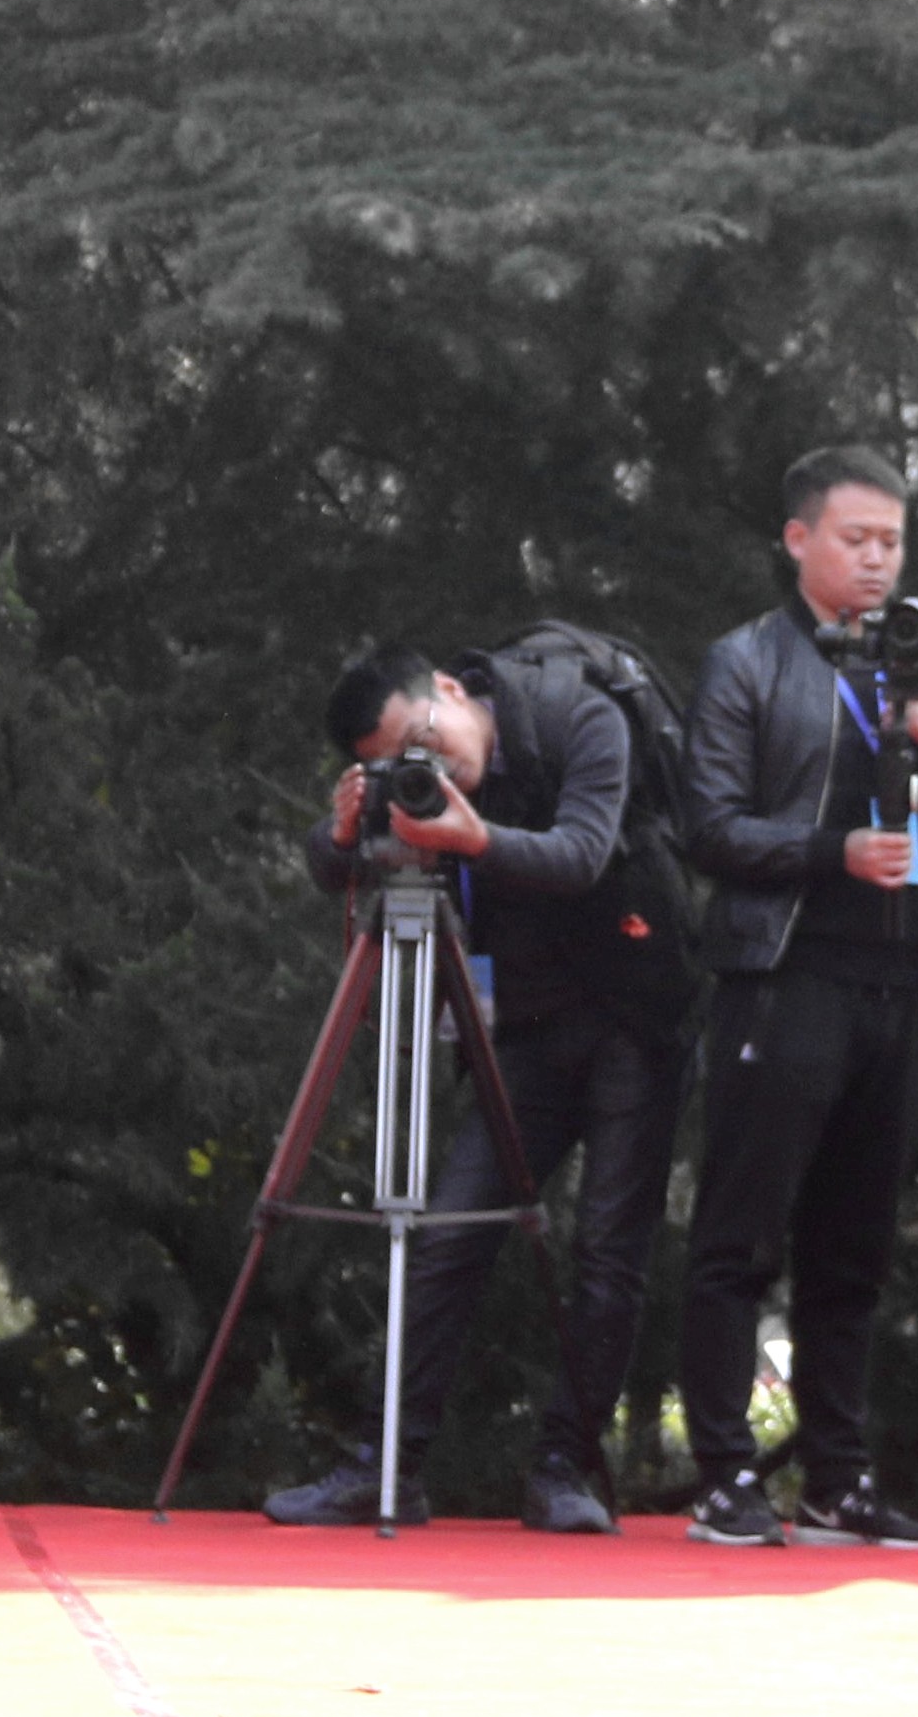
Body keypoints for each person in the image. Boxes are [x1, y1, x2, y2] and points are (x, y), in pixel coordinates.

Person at [268, 637, 696, 1534]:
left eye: (423, 735)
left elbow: (581, 852)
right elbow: (331, 864)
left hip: (637, 1009)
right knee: (450, 1232)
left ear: (453, 690)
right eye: (393, 764)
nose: (423, 765)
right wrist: (347, 830)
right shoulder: (419, 782)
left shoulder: (580, 716)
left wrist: (473, 836)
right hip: (529, 1029)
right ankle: (383, 1467)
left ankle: (564, 1468)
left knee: (609, 1249)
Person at [677, 447, 918, 1549]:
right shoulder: (746, 665)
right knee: (741, 1234)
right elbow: (707, 828)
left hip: (898, 987)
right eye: (854, 539)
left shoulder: (915, 670)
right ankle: (723, 1477)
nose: (874, 559)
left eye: (890, 542)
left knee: (854, 1248)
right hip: (784, 977)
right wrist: (832, 852)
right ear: (798, 541)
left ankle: (837, 1479)